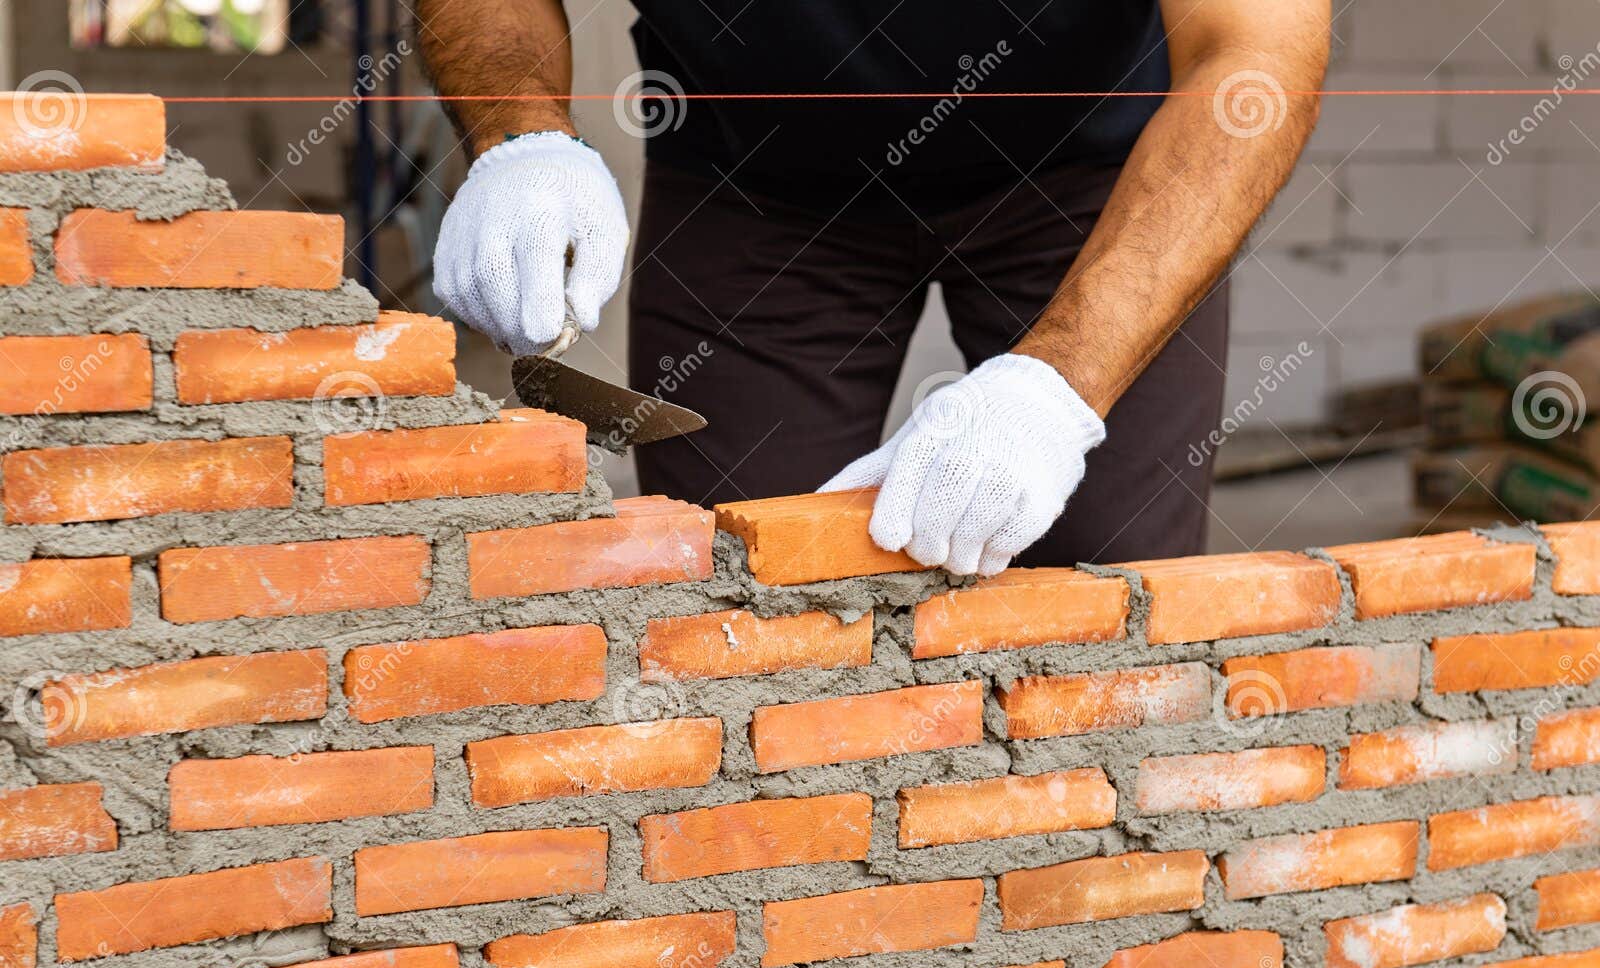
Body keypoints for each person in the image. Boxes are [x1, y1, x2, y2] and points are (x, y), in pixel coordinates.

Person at [419, 0, 1330, 576]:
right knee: (743, 591)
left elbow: (1257, 46)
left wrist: (1056, 392)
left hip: (1088, 188)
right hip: (754, 184)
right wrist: (521, 137)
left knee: (1113, 595)